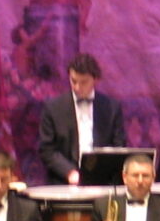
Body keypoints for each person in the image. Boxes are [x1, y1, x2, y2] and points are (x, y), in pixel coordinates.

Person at [36, 52, 127, 184]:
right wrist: (69, 172)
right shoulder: (53, 108)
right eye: (73, 81)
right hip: (63, 182)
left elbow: (119, 146)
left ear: (95, 79)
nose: (77, 87)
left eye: (84, 82)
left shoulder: (112, 108)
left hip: (102, 181)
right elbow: (47, 150)